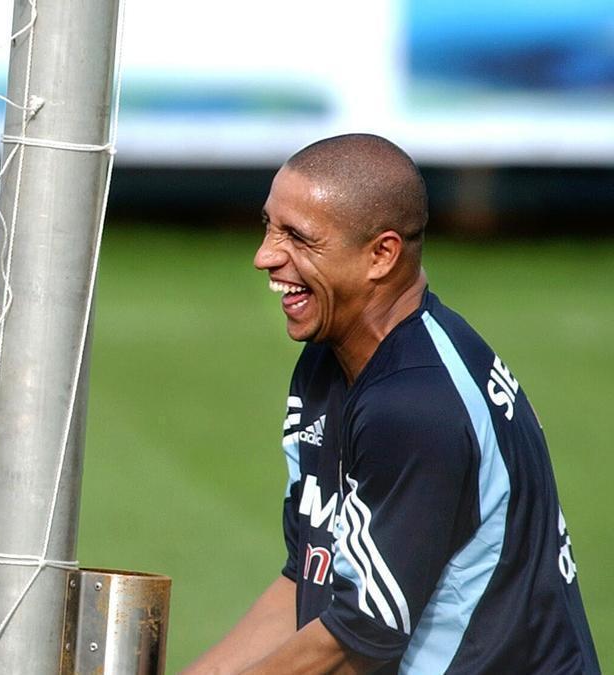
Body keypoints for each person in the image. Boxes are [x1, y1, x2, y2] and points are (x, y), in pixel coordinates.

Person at [185, 134, 599, 674]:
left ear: (381, 254)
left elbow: (363, 633)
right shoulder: (329, 360)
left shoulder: (416, 405)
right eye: (268, 225)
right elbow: (308, 577)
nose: (265, 255)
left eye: (298, 237)